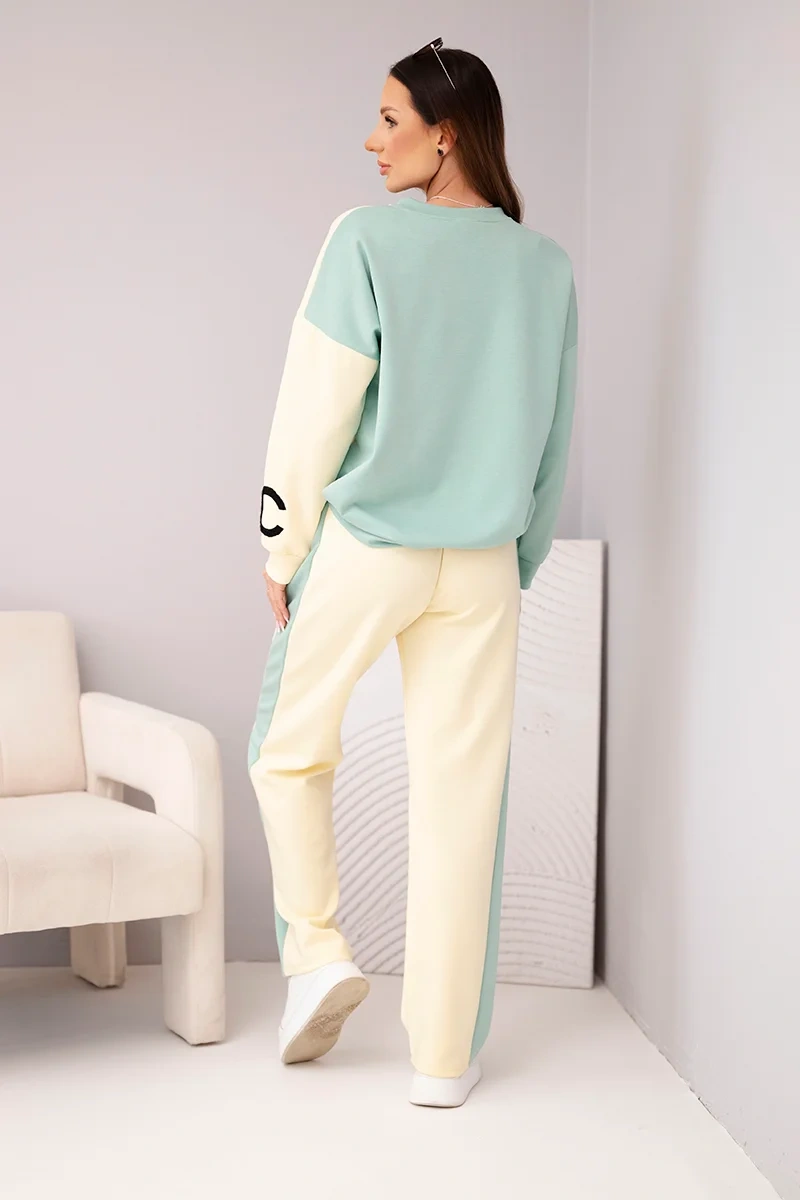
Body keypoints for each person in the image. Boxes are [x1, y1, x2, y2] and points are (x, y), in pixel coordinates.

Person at [247, 37, 578, 1109]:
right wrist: (514, 558)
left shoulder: (365, 241)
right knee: (462, 805)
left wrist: (281, 545)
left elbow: (315, 405)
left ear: (446, 133)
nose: (370, 139)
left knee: (287, 749)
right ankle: (441, 1061)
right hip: (481, 567)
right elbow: (551, 440)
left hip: (368, 549)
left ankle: (316, 953)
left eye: (389, 119)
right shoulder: (544, 268)